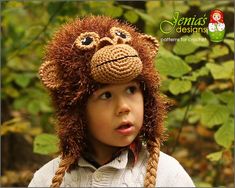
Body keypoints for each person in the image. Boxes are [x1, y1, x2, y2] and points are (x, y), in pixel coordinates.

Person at [28, 16, 195, 187]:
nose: (123, 107)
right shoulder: (46, 180)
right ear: (77, 111)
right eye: (106, 95)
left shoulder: (169, 176)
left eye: (131, 90)